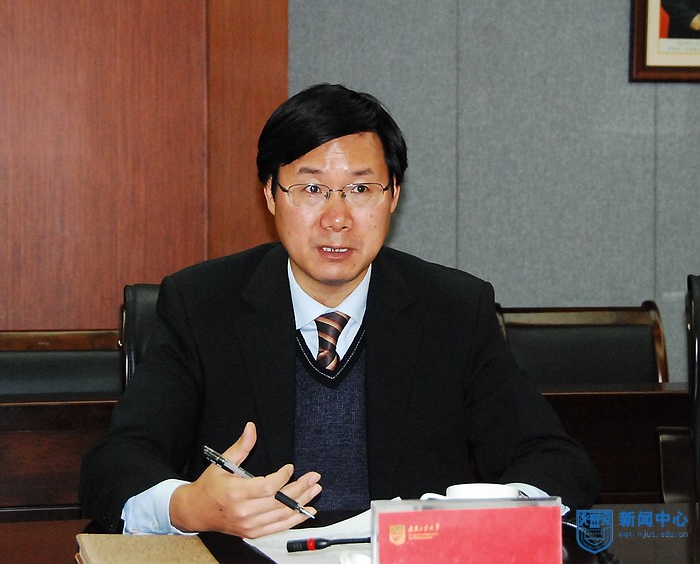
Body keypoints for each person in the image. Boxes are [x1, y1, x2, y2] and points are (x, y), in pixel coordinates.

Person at [80, 83, 600, 538]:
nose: (337, 218)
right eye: (311, 189)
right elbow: (117, 463)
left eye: (360, 189)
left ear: (393, 196)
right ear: (270, 195)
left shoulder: (454, 310)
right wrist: (190, 506)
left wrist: (494, 514)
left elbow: (555, 461)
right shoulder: (201, 304)